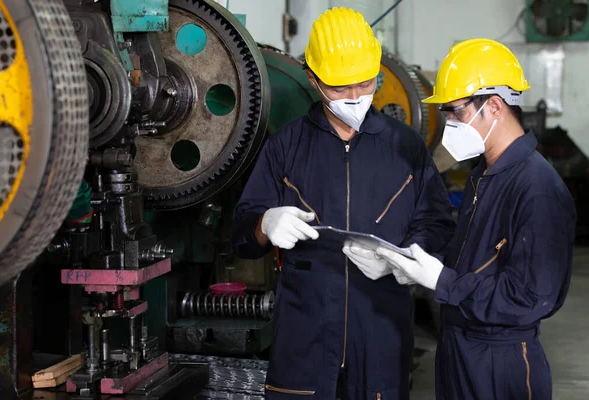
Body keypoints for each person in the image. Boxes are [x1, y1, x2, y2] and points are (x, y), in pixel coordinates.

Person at [232, 7, 455, 400]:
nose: (354, 97)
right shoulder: (286, 146)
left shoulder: (405, 147)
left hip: (381, 330)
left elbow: (435, 220)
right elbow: (241, 234)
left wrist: (413, 256)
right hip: (305, 333)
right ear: (313, 79)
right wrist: (264, 222)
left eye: (365, 83)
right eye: (339, 87)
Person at [367, 38, 576, 400]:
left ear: (494, 105)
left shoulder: (537, 189)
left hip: (501, 359)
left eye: (456, 111)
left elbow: (531, 299)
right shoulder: (485, 174)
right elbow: (476, 258)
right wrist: (413, 264)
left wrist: (442, 281)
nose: (449, 123)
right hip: (460, 346)